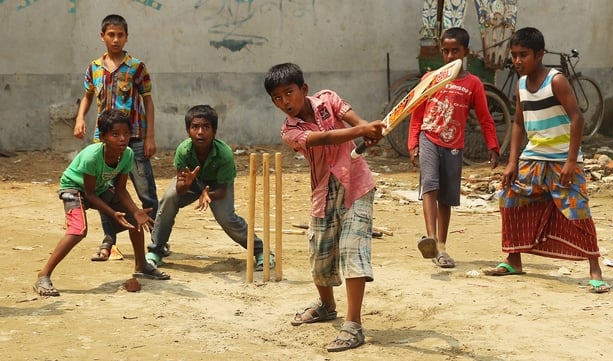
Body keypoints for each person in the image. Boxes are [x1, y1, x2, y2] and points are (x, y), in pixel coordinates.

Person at [264, 62, 386, 352]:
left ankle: (353, 324)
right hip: (323, 191)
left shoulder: (328, 99)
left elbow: (354, 121)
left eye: (289, 93)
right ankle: (326, 305)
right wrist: (362, 130)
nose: (285, 102)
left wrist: (367, 130)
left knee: (352, 249)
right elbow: (327, 138)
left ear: (304, 89)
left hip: (356, 183)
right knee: (319, 255)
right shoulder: (289, 132)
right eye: (277, 98)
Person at [482, 27, 610, 294]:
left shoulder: (556, 80)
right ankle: (513, 260)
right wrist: (512, 161)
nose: (517, 61)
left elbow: (577, 118)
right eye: (514, 55)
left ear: (539, 55)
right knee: (510, 198)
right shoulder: (519, 84)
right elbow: (518, 123)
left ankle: (595, 269)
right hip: (533, 156)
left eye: (524, 55)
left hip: (562, 159)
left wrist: (571, 161)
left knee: (578, 210)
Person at [33, 110, 170, 297]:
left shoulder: (127, 154)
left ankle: (141, 265)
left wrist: (135, 211)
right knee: (78, 230)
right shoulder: (92, 156)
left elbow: (121, 190)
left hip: (98, 188)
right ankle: (43, 275)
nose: (122, 139)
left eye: (126, 134)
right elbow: (88, 194)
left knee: (134, 219)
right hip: (74, 188)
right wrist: (112, 214)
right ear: (103, 137)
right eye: (115, 134)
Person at [73, 14, 163, 262]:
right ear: (102, 37)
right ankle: (109, 240)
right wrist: (80, 118)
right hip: (104, 140)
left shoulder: (136, 67)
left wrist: (149, 136)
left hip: (133, 137)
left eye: (120, 35)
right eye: (110, 35)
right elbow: (88, 96)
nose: (115, 39)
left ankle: (157, 242)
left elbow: (148, 101)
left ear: (126, 37)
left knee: (145, 190)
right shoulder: (94, 67)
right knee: (104, 191)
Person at [408, 27, 499, 268]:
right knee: (430, 185)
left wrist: (493, 145)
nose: (450, 56)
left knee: (446, 198)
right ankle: (431, 239)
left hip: (454, 145)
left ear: (465, 52)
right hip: (430, 137)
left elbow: (484, 117)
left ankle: (442, 248)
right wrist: (413, 142)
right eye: (446, 51)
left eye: (455, 51)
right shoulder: (430, 79)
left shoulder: (473, 84)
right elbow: (417, 114)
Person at [144, 105, 274, 271]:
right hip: (191, 181)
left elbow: (222, 190)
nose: (200, 132)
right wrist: (187, 183)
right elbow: (180, 189)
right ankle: (156, 250)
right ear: (188, 130)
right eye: (195, 127)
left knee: (227, 218)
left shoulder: (224, 153)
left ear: (214, 131)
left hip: (216, 187)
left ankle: (261, 251)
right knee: (169, 198)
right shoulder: (183, 151)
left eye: (206, 127)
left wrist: (207, 193)